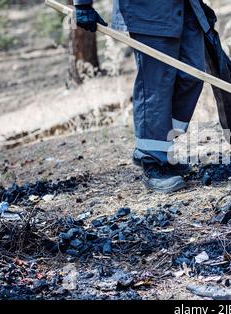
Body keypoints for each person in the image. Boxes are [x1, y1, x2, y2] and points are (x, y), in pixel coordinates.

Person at [73, 0, 215, 193]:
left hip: (185, 7)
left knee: (193, 75)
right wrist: (82, 5)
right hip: (146, 11)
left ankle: (163, 145)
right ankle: (152, 159)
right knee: (155, 84)